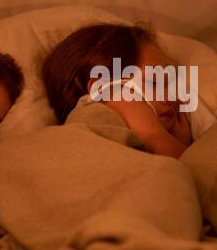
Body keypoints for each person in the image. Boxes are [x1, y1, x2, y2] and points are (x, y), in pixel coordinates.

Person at [40, 23, 192, 157]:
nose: (170, 96)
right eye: (153, 82)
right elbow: (184, 162)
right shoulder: (114, 98)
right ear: (100, 87)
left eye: (168, 83)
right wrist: (175, 143)